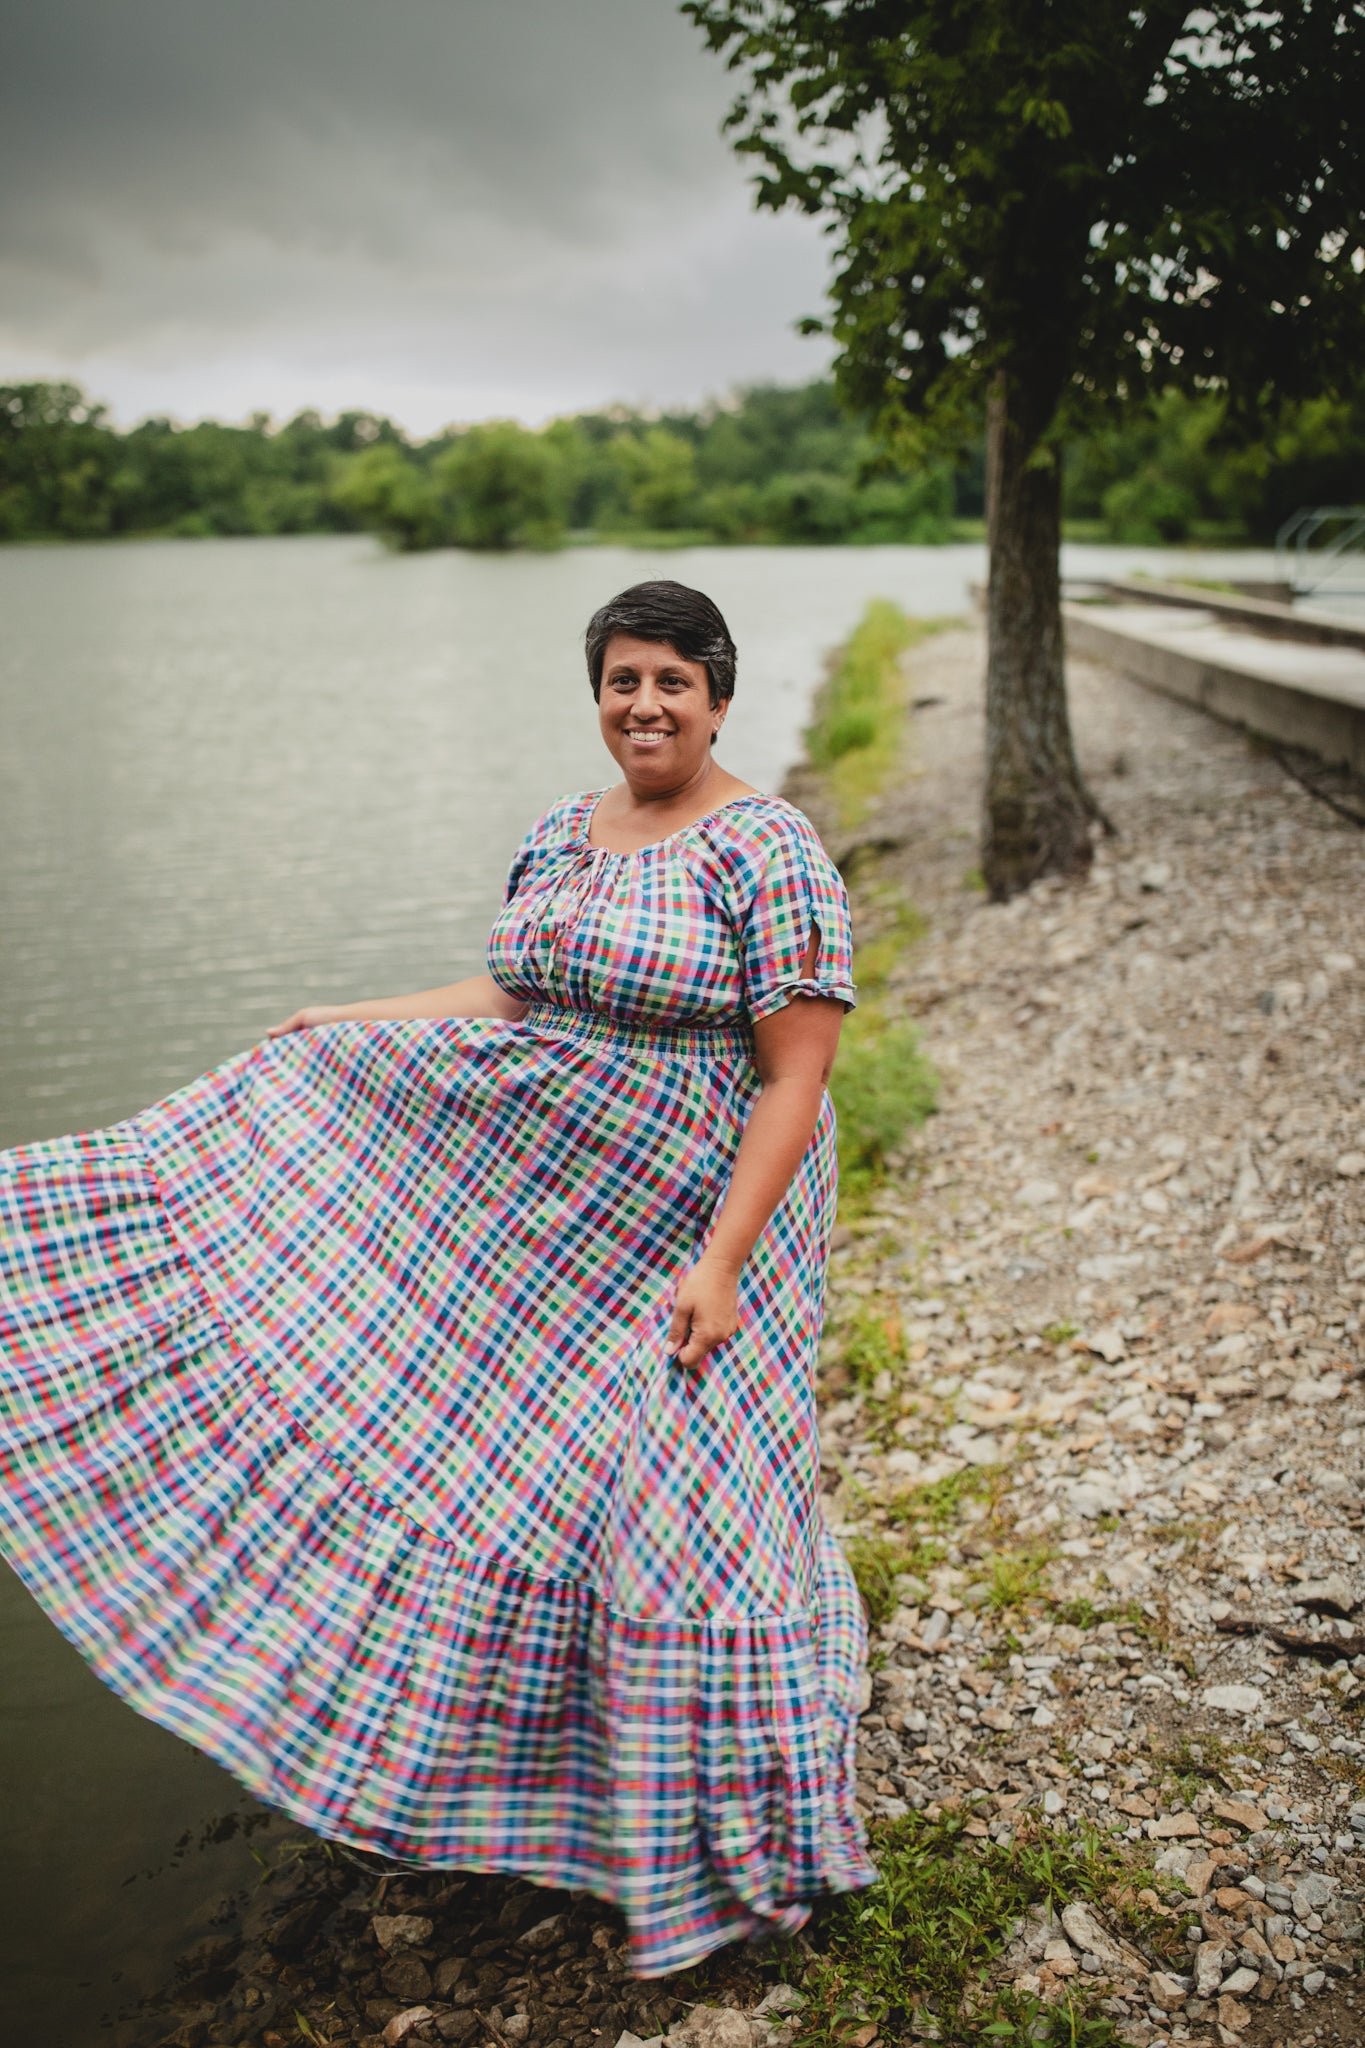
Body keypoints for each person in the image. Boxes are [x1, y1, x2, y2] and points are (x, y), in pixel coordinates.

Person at [0, 579, 875, 1977]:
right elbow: (515, 997)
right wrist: (344, 1019)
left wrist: (722, 1261)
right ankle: (574, 1801)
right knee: (532, 1473)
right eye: (619, 681)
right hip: (557, 1211)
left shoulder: (766, 850)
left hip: (713, 1211)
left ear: (718, 694)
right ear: (597, 694)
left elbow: (799, 1070)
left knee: (690, 1494)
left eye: (668, 682)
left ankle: (740, 1849)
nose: (641, 705)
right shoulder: (560, 832)